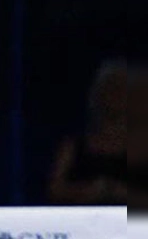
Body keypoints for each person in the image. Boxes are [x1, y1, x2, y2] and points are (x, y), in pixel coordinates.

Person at [46, 57, 127, 205]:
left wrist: (119, 191)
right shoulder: (73, 146)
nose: (116, 96)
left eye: (121, 90)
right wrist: (85, 191)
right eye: (110, 89)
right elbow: (55, 189)